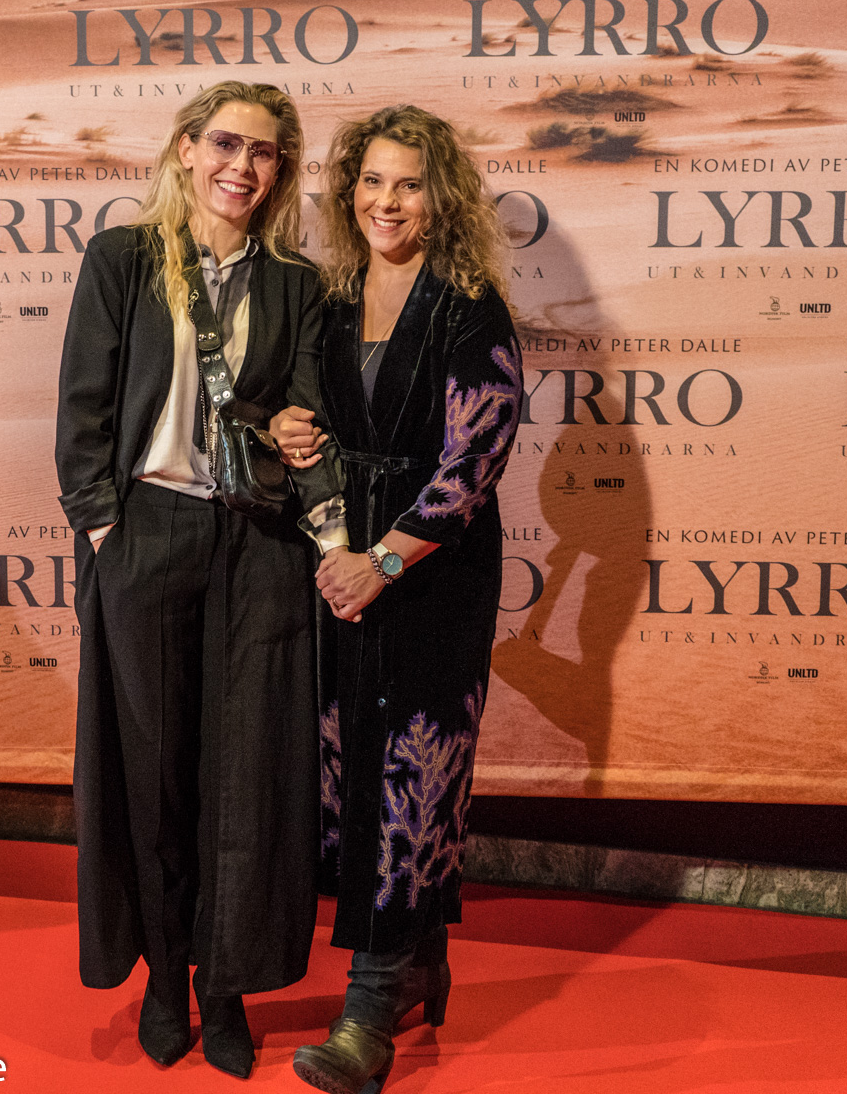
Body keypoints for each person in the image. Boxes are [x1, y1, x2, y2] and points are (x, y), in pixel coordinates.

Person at [55, 81, 345, 1080]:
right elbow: (84, 408)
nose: (241, 167)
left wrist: (295, 429)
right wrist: (105, 530)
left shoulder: (297, 284)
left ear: (281, 170)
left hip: (258, 545)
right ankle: (163, 976)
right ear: (186, 149)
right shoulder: (124, 259)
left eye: (263, 153)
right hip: (148, 533)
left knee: (247, 777)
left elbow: (301, 411)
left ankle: (225, 988)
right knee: (154, 773)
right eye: (225, 144)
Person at [277, 105, 523, 1094]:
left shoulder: (469, 306)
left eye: (409, 184)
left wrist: (381, 562)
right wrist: (293, 430)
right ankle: (418, 964)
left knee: (415, 774)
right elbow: (315, 416)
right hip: (343, 564)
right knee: (352, 771)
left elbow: (477, 459)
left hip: (431, 576)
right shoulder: (335, 298)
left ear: (441, 197)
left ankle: (370, 1009)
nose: (387, 201)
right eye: (372, 181)